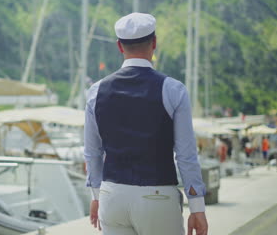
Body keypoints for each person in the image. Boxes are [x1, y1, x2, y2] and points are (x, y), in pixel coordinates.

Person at [84, 13, 208, 235]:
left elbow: (92, 152)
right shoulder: (173, 89)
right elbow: (186, 155)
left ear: (120, 47)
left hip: (112, 196)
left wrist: (95, 195)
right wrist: (197, 207)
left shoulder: (96, 91)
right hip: (157, 196)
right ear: (154, 43)